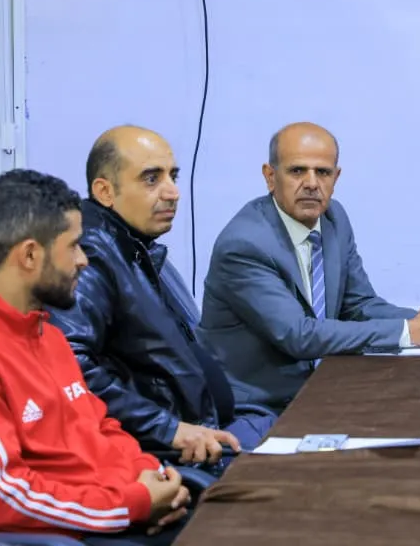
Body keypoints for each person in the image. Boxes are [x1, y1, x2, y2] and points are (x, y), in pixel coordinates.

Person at [0, 169, 190, 544]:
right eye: (73, 246)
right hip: (75, 533)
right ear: (29, 255)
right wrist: (134, 503)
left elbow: (100, 427)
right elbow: (5, 495)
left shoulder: (48, 333)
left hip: (120, 512)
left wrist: (152, 474)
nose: (84, 261)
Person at [48, 126, 276, 472]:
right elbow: (70, 368)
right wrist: (170, 430)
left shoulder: (133, 245)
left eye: (173, 176)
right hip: (174, 452)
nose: (173, 192)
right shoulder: (92, 255)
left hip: (208, 426)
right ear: (105, 191)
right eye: (152, 179)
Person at [200, 122, 420, 412]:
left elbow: (359, 304)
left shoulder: (333, 219)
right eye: (297, 171)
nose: (312, 183)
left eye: (323, 172)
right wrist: (409, 331)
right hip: (260, 406)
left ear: (336, 177)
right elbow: (298, 335)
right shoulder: (244, 244)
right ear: (270, 176)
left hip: (326, 384)